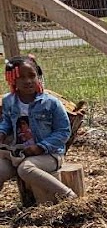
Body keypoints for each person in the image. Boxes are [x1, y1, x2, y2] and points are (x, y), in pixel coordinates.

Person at [0, 56, 75, 206]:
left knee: (25, 169)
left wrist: (40, 147)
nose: (28, 81)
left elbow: (63, 131)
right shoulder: (9, 101)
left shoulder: (51, 103)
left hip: (49, 154)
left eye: (32, 76)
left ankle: (70, 196)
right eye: (21, 77)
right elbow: (7, 122)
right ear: (12, 79)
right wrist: (2, 132)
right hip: (18, 152)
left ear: (38, 77)